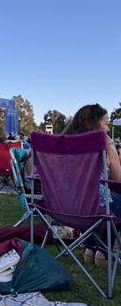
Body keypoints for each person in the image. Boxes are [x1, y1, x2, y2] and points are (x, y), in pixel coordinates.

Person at [63, 103, 121, 266]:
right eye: (106, 124)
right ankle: (104, 251)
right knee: (110, 199)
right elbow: (117, 182)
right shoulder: (102, 145)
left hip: (62, 208)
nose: (108, 130)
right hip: (93, 208)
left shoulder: (62, 144)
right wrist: (113, 152)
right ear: (95, 123)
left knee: (97, 196)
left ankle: (90, 248)